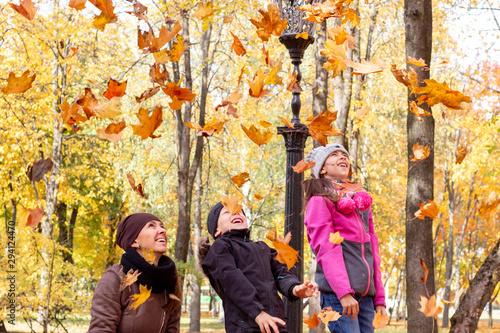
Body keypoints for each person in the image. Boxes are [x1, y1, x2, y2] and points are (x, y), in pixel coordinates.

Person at [303, 143, 386, 333]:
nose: (343, 157)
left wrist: (379, 297)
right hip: (338, 296)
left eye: (344, 155)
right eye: (334, 154)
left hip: (365, 297)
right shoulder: (319, 200)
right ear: (322, 168)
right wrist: (343, 293)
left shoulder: (360, 203)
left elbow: (373, 252)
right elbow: (326, 249)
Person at [199, 202, 319, 333]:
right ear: (216, 230)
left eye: (239, 211)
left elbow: (280, 272)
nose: (236, 212)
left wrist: (295, 288)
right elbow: (232, 282)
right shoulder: (221, 248)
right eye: (227, 212)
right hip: (245, 326)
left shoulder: (262, 248)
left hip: (275, 323)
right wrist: (257, 313)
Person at [88, 213, 181, 333]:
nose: (162, 230)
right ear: (134, 241)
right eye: (151, 226)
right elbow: (101, 330)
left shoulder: (169, 280)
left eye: (162, 226)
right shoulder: (114, 278)